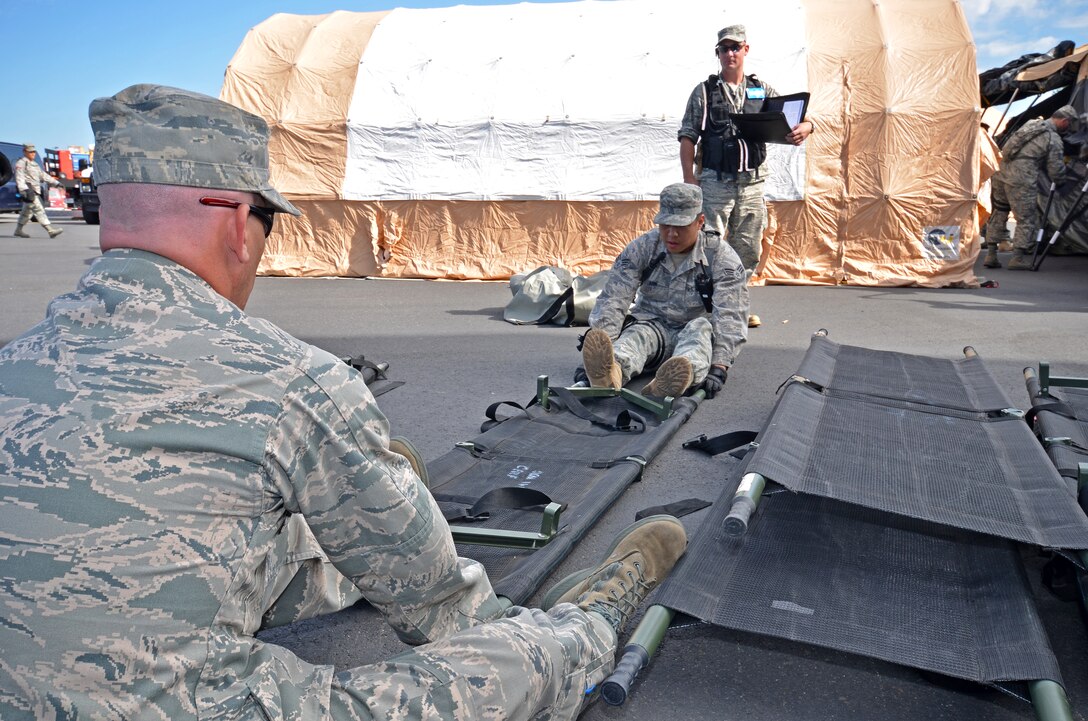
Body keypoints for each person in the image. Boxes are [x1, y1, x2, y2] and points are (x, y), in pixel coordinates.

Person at [0, 84, 689, 721]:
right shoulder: (288, 379)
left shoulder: (11, 366)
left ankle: (357, 521)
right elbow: (440, 605)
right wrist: (519, 629)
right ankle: (593, 619)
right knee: (504, 664)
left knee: (245, 535)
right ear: (240, 222)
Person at [678, 24, 812, 328]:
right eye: (724, 49)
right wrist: (690, 178)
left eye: (735, 47)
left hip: (752, 183)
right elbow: (688, 137)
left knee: (747, 249)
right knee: (709, 246)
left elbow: (796, 117)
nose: (729, 54)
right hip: (714, 182)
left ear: (745, 50)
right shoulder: (704, 91)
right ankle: (705, 311)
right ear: (718, 54)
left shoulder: (761, 90)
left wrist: (808, 126)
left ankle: (734, 309)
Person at [581, 182, 748, 401]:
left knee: (698, 338)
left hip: (693, 327)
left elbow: (730, 314)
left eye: (680, 226)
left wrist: (719, 366)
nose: (671, 234)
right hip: (652, 325)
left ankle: (672, 382)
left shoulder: (720, 256)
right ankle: (609, 373)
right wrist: (604, 341)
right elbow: (614, 298)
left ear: (700, 222)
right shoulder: (643, 247)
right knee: (635, 336)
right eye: (665, 225)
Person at [983, 105, 1079, 270]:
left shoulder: (1030, 125)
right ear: (1064, 121)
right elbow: (1056, 169)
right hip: (1021, 178)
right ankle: (1018, 258)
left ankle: (991, 255)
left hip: (1001, 173)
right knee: (1026, 218)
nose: (1068, 129)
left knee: (1000, 212)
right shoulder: (1052, 138)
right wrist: (1062, 181)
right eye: (1069, 125)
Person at [13, 143, 64, 238]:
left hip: (35, 191)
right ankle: (50, 230)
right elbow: (19, 177)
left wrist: (56, 183)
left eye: (33, 152)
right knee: (39, 210)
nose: (33, 154)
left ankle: (18, 230)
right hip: (28, 191)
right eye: (30, 152)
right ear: (25, 152)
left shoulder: (34, 164)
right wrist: (22, 190)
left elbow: (43, 176)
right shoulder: (21, 163)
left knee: (26, 213)